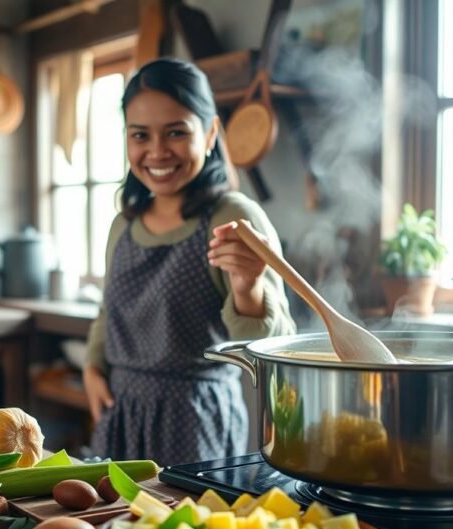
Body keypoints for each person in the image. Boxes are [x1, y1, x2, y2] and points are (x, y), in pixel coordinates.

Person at [83, 58, 297, 468]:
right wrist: (93, 368)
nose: (158, 151)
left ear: (211, 132)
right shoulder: (123, 225)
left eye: (177, 132)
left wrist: (248, 288)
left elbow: (275, 343)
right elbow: (108, 312)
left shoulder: (231, 216)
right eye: (140, 135)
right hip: (121, 414)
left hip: (196, 419)